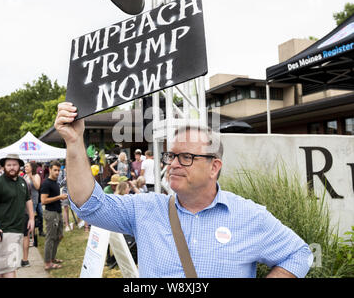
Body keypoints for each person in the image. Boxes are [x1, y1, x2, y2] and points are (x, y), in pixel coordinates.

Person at [54, 102, 312, 278]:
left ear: (214, 167)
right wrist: (74, 141)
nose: (173, 164)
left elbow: (299, 254)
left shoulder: (248, 215)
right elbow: (89, 205)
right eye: (171, 155)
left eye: (186, 157)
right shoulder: (146, 209)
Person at [0, 154, 34, 278]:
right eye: (9, 165)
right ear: (4, 166)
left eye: (14, 165)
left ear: (19, 166)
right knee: (10, 268)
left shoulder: (22, 181)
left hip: (18, 230)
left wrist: (32, 218)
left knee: (3, 268)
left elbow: (28, 200)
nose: (12, 167)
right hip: (4, 231)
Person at [40, 161, 67, 271]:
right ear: (50, 169)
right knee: (50, 238)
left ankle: (52, 258)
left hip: (58, 212)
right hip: (51, 213)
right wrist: (59, 197)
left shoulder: (56, 182)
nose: (57, 172)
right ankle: (48, 263)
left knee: (59, 236)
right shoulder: (46, 183)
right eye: (55, 170)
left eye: (58, 170)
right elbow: (43, 201)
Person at [21, 162, 41, 267]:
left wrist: (31, 178)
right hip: (26, 203)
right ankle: (31, 238)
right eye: (24, 166)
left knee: (32, 219)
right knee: (29, 219)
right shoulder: (23, 176)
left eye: (27, 166)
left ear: (31, 168)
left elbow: (37, 187)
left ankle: (32, 239)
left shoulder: (36, 175)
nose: (25, 168)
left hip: (33, 200)